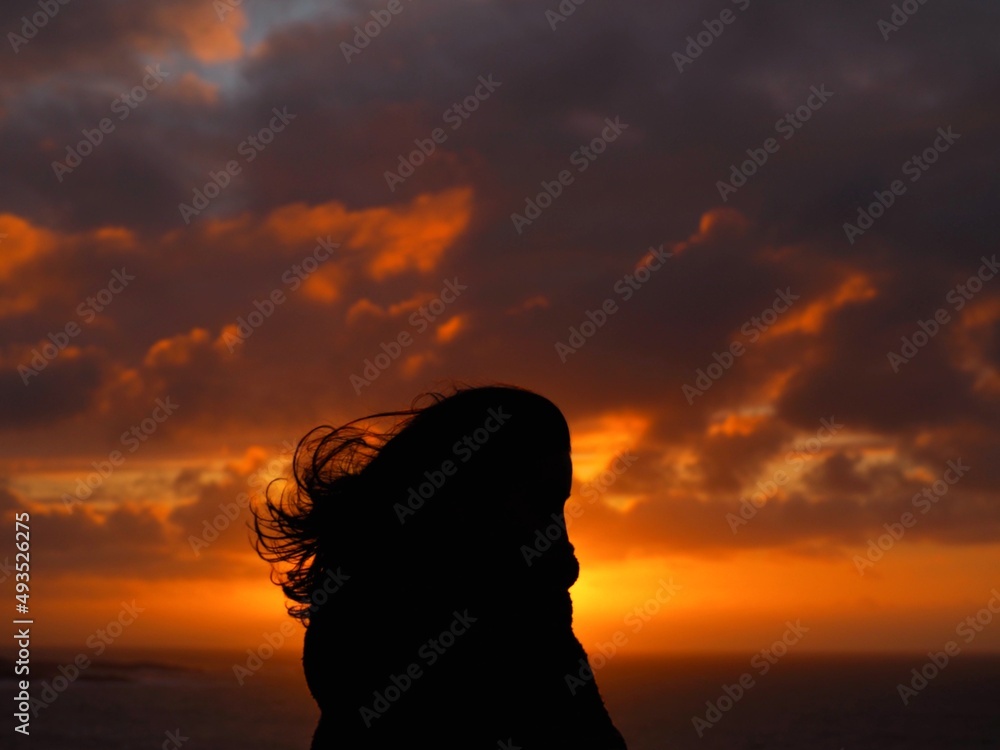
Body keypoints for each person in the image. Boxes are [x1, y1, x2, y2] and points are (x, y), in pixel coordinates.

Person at [254, 384, 628, 749]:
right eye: (542, 503)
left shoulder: (361, 621)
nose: (561, 538)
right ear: (466, 499)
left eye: (561, 507)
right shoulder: (487, 638)